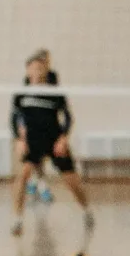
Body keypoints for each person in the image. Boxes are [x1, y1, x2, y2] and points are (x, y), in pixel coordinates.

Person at [10, 50, 93, 236]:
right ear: (28, 70)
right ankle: (17, 220)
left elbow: (68, 118)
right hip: (32, 140)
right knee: (22, 176)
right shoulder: (21, 93)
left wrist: (63, 138)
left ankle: (87, 210)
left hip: (53, 139)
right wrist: (19, 139)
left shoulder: (55, 92)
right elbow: (14, 118)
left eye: (41, 67)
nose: (38, 71)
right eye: (34, 67)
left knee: (71, 180)